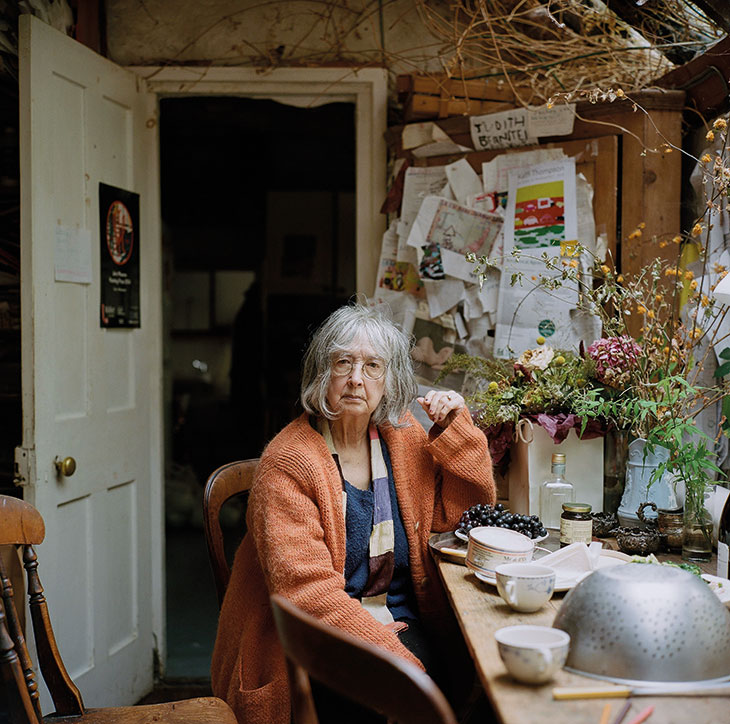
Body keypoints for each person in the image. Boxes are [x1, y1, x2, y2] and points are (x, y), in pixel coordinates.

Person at [211, 303, 495, 724]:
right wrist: (403, 672)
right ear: (321, 373)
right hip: (311, 645)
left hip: (398, 617)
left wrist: (457, 431)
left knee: (491, 683)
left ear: (391, 379)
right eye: (343, 362)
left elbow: (459, 524)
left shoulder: (401, 436)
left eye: (373, 365)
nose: (356, 378)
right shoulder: (288, 463)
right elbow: (309, 597)